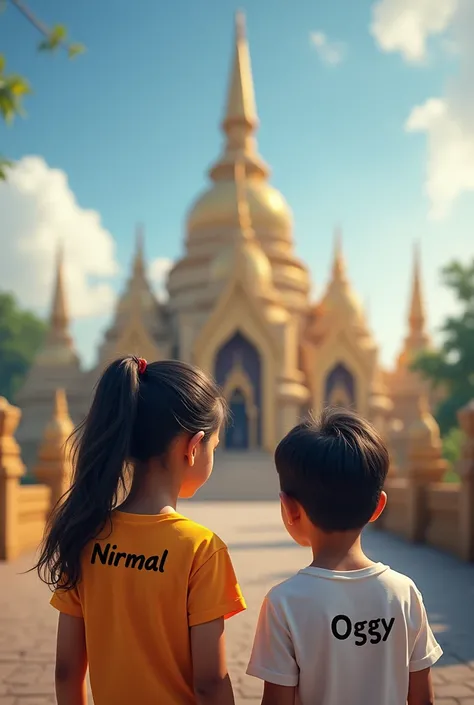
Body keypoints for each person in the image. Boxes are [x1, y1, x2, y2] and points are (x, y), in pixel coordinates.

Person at [35, 357, 246, 705]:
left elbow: (66, 671)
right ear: (193, 449)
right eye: (214, 446)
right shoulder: (202, 549)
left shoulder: (87, 535)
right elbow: (210, 683)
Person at [246, 408, 442, 705]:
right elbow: (423, 699)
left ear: (289, 509)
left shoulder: (283, 604)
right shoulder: (404, 593)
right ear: (379, 507)